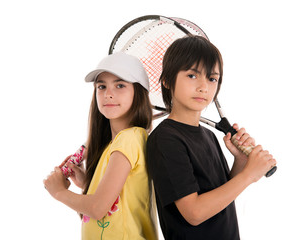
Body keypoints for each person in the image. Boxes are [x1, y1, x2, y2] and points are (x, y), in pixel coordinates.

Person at [146, 36, 277, 240]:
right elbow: (194, 213)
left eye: (212, 78)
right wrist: (248, 175)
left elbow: (220, 196)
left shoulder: (208, 135)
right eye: (192, 75)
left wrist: (242, 163)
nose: (203, 87)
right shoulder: (165, 139)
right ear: (167, 80)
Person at [44, 52, 158, 240]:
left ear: (138, 92)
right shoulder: (118, 143)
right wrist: (87, 185)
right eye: (101, 86)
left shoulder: (129, 139)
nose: (108, 94)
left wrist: (59, 192)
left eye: (120, 85)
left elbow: (97, 208)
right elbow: (100, 216)